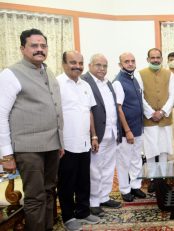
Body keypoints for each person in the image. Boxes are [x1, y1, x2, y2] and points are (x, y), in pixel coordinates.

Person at [0, 28, 64, 231]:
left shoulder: (48, 71)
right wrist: (6, 155)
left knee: (48, 191)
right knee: (35, 196)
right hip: (28, 148)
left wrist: (60, 143)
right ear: (22, 48)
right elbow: (1, 115)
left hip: (52, 145)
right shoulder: (11, 74)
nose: (39, 49)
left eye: (43, 46)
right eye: (34, 45)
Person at [57, 51, 101, 230]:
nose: (77, 66)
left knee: (84, 179)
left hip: (84, 142)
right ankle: (68, 217)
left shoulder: (85, 85)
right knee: (67, 181)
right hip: (66, 144)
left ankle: (83, 211)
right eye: (73, 62)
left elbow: (89, 111)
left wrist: (94, 135)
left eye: (80, 63)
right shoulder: (57, 83)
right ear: (63, 64)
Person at [82, 54, 122, 216]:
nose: (102, 69)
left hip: (111, 133)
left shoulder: (108, 82)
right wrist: (93, 135)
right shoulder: (85, 81)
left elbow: (113, 107)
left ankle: (104, 196)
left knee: (108, 168)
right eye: (98, 65)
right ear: (90, 65)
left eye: (105, 66)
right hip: (97, 134)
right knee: (95, 169)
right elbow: (88, 110)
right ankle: (93, 201)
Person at [139, 48, 174, 193]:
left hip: (164, 118)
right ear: (148, 59)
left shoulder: (169, 74)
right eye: (152, 57)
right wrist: (150, 113)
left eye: (158, 57)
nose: (155, 60)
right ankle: (153, 180)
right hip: (149, 119)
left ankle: (163, 179)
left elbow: (173, 95)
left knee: (163, 150)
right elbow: (139, 96)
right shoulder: (140, 74)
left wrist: (162, 112)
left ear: (161, 59)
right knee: (151, 150)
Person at [112, 52, 146, 202]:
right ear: (120, 65)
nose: (130, 63)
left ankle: (135, 186)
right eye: (127, 61)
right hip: (127, 131)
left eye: (132, 61)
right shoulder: (118, 82)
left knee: (136, 159)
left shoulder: (135, 79)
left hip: (138, 128)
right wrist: (127, 130)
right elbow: (118, 109)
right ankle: (125, 190)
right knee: (124, 161)